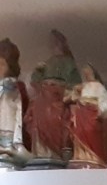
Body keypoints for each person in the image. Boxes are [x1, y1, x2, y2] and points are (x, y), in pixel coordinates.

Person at [25, 29, 80, 161]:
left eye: (57, 42)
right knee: (36, 114)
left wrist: (62, 91)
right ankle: (41, 151)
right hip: (44, 97)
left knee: (56, 116)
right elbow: (35, 81)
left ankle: (56, 151)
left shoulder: (69, 63)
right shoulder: (48, 62)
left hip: (58, 97)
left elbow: (76, 85)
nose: (54, 45)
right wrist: (38, 70)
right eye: (53, 43)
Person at [0, 39, 29, 166]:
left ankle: (8, 149)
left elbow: (19, 108)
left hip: (8, 121)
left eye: (2, 64)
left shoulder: (14, 85)